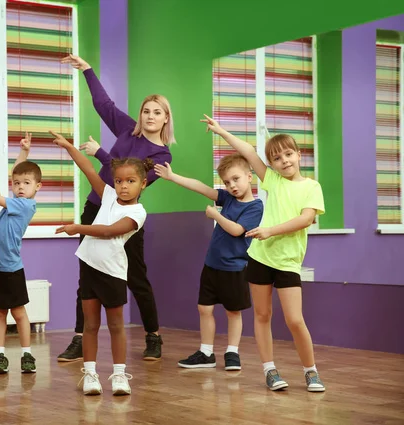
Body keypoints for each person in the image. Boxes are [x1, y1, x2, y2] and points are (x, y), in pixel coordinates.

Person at [58, 54, 174, 362]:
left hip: (124, 217)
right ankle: (80, 339)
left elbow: (128, 179)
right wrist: (88, 71)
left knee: (136, 277)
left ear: (165, 119)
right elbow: (104, 105)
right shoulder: (128, 130)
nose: (150, 116)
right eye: (146, 110)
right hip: (95, 207)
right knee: (87, 277)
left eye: (157, 112)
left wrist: (101, 154)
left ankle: (153, 336)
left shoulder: (162, 157)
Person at [202, 114, 326, 392]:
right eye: (277, 158)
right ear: (271, 164)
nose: (284, 161)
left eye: (288, 154)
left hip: (287, 262)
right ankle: (270, 370)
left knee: (295, 320)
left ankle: (311, 371)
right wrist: (221, 130)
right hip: (259, 259)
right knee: (262, 316)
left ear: (299, 154)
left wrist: (270, 230)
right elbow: (247, 151)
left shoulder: (311, 187)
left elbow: (306, 219)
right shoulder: (272, 180)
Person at [52, 130, 150, 396]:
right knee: (90, 326)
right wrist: (68, 146)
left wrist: (78, 227)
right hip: (89, 268)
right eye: (119, 181)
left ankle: (119, 376)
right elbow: (87, 168)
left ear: (142, 184)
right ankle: (91, 374)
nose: (123, 186)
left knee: (116, 326)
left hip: (113, 274)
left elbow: (110, 230)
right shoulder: (107, 196)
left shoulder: (137, 212)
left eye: (130, 181)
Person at [154, 153, 262, 370]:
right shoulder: (227, 198)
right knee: (204, 309)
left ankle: (232, 353)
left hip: (234, 268)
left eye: (236, 179)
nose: (232, 186)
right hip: (212, 265)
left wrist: (216, 216)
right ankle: (206, 352)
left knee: (233, 311)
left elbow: (236, 230)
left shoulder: (255, 207)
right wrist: (173, 177)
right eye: (227, 182)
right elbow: (201, 187)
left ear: (249, 177)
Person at [0, 132, 42, 375]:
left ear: (37, 187)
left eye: (26, 184)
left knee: (18, 313)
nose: (20, 187)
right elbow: (19, 172)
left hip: (10, 268)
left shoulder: (25, 205)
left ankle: (26, 354)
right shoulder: (18, 199)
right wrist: (24, 153)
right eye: (16, 184)